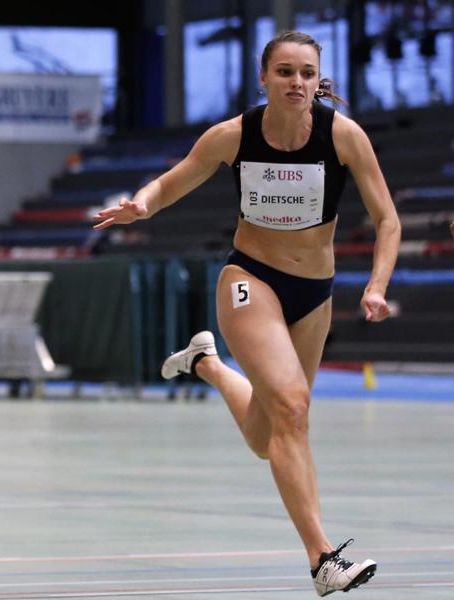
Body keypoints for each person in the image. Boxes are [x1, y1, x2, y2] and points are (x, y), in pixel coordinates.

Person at [94, 31, 399, 597]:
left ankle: (206, 362)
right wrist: (142, 203)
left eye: (307, 73)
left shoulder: (344, 137)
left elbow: (388, 221)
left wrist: (376, 285)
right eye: (285, 72)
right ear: (263, 79)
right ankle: (322, 560)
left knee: (269, 434)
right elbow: (173, 181)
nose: (297, 83)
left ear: (318, 79)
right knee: (292, 406)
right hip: (251, 280)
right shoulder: (234, 135)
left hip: (316, 291)